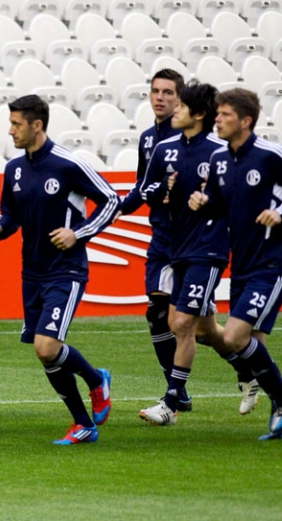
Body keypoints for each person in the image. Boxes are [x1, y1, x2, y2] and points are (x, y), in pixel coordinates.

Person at [0, 95, 115, 445]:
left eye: (16, 124)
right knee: (47, 352)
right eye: (10, 123)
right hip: (33, 272)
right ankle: (86, 415)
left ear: (36, 125)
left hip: (66, 270)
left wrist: (79, 233)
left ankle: (94, 385)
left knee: (46, 347)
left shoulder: (67, 164)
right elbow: (10, 215)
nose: (10, 130)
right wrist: (0, 228)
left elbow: (111, 199)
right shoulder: (13, 169)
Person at [137, 82, 237, 426]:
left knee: (179, 323)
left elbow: (238, 200)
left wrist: (210, 202)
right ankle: (254, 369)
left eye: (179, 107)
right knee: (207, 331)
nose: (172, 111)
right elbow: (146, 189)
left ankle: (171, 403)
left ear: (198, 114)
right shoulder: (164, 149)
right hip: (176, 247)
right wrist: (160, 190)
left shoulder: (221, 152)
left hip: (208, 249)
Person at [188, 88, 282, 440]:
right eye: (217, 114)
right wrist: (203, 201)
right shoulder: (219, 159)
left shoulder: (270, 155)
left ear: (246, 120)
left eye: (225, 114)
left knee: (233, 336)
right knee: (252, 344)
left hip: (271, 263)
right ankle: (279, 410)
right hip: (240, 264)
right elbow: (220, 206)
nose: (218, 120)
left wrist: (279, 213)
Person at [114, 69, 195, 411]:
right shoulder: (148, 139)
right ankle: (177, 392)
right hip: (161, 236)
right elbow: (142, 185)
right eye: (155, 91)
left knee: (199, 328)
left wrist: (165, 191)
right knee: (157, 313)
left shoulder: (191, 139)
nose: (160, 97)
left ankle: (246, 364)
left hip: (191, 239)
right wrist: (114, 207)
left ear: (180, 99)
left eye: (167, 92)